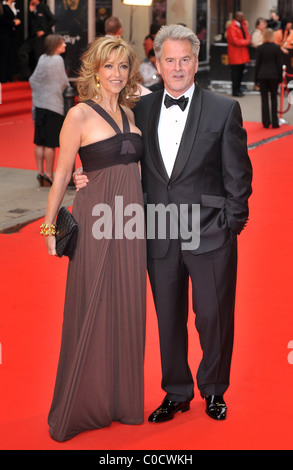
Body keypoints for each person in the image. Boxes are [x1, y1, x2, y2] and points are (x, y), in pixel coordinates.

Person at [75, 24, 253, 423]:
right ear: (157, 62)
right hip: (157, 232)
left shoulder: (225, 109)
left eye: (184, 59)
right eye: (169, 59)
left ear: (196, 60)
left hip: (210, 232)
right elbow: (115, 157)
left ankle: (213, 390)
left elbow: (238, 176)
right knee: (168, 319)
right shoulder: (140, 109)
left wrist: (231, 224)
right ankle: (176, 391)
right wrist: (85, 176)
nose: (176, 68)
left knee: (213, 317)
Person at [42, 36, 146, 442]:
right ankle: (82, 404)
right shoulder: (79, 115)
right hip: (96, 221)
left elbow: (133, 173)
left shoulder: (132, 115)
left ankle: (120, 401)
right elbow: (62, 176)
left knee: (126, 307)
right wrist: (49, 227)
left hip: (131, 225)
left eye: (123, 66)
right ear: (95, 70)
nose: (117, 74)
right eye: (109, 66)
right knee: (92, 306)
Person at [29, 34, 69, 186]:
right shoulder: (57, 60)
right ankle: (48, 174)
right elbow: (63, 83)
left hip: (40, 104)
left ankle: (40, 172)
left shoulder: (42, 58)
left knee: (39, 142)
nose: (65, 45)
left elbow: (33, 79)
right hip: (53, 105)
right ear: (55, 45)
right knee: (51, 144)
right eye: (62, 43)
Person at [18, 0, 56, 79]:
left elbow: (53, 19)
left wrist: (44, 31)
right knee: (22, 51)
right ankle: (28, 75)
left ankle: (43, 78)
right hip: (33, 37)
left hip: (41, 38)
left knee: (40, 58)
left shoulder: (43, 7)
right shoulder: (31, 9)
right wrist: (31, 12)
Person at [255, 28, 283, 129]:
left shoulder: (260, 48)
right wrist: (280, 78)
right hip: (274, 75)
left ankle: (266, 122)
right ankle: (275, 122)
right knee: (274, 98)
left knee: (264, 98)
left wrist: (255, 79)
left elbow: (257, 64)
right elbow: (279, 64)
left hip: (262, 75)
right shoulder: (276, 48)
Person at [226, 11, 251, 97]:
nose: (243, 18)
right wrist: (247, 42)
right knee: (236, 74)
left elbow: (247, 36)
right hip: (236, 54)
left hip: (242, 54)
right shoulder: (232, 27)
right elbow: (235, 41)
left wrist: (246, 41)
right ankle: (235, 91)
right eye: (241, 16)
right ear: (236, 17)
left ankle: (238, 89)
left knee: (240, 73)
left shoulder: (242, 26)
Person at [0, 0, 21, 83]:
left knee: (11, 55)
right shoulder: (3, 6)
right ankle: (2, 77)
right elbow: (2, 19)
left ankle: (9, 76)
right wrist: (13, 23)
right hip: (4, 34)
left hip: (13, 34)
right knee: (4, 56)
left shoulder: (14, 5)